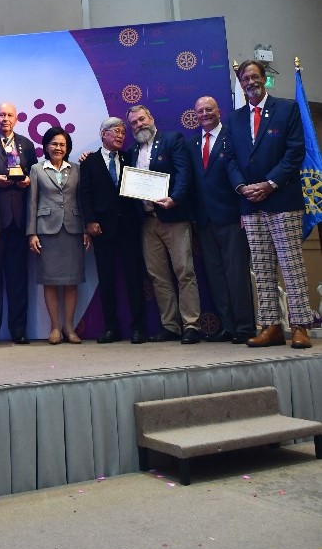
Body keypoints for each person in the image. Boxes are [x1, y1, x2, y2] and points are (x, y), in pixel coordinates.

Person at [225, 60, 314, 349]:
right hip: (250, 204)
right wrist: (242, 187)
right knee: (262, 268)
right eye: (245, 79)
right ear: (241, 84)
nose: (250, 82)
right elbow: (230, 160)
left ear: (264, 79)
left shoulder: (286, 109)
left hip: (282, 199)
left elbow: (295, 151)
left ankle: (300, 326)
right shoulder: (234, 119)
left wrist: (270, 183)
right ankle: (271, 326)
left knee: (291, 265)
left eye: (255, 76)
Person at [125, 105, 202, 344]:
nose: (139, 125)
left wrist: (175, 198)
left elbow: (184, 173)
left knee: (184, 272)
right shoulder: (131, 151)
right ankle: (170, 326)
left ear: (151, 117)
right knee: (157, 276)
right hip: (147, 222)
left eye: (142, 119)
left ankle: (191, 325)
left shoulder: (172, 140)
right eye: (134, 123)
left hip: (174, 217)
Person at [187, 96, 255, 344]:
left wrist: (244, 211)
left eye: (209, 109)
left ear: (219, 111)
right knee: (215, 276)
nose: (204, 114)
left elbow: (243, 175)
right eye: (200, 111)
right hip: (204, 221)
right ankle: (228, 326)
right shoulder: (192, 143)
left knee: (236, 275)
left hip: (232, 218)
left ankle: (245, 327)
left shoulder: (233, 137)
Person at [80, 117, 147, 344]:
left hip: (129, 227)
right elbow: (85, 194)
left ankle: (138, 328)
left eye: (122, 132)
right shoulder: (89, 161)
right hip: (102, 229)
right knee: (106, 279)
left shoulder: (130, 157)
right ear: (103, 134)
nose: (120, 135)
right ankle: (111, 328)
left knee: (134, 278)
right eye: (115, 131)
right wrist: (89, 221)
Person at [0, 102, 38, 345]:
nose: (5, 119)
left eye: (10, 115)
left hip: (19, 221)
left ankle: (18, 330)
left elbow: (34, 174)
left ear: (17, 119)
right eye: (1, 115)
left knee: (17, 279)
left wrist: (28, 181)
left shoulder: (26, 144)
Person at [27, 126, 90, 344]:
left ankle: (69, 327)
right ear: (46, 146)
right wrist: (32, 233)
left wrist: (86, 229)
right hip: (47, 231)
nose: (58, 148)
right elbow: (32, 202)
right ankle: (55, 327)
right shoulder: (37, 169)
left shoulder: (77, 169)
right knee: (50, 281)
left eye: (62, 144)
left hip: (73, 230)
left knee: (72, 282)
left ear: (68, 148)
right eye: (54, 144)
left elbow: (83, 200)